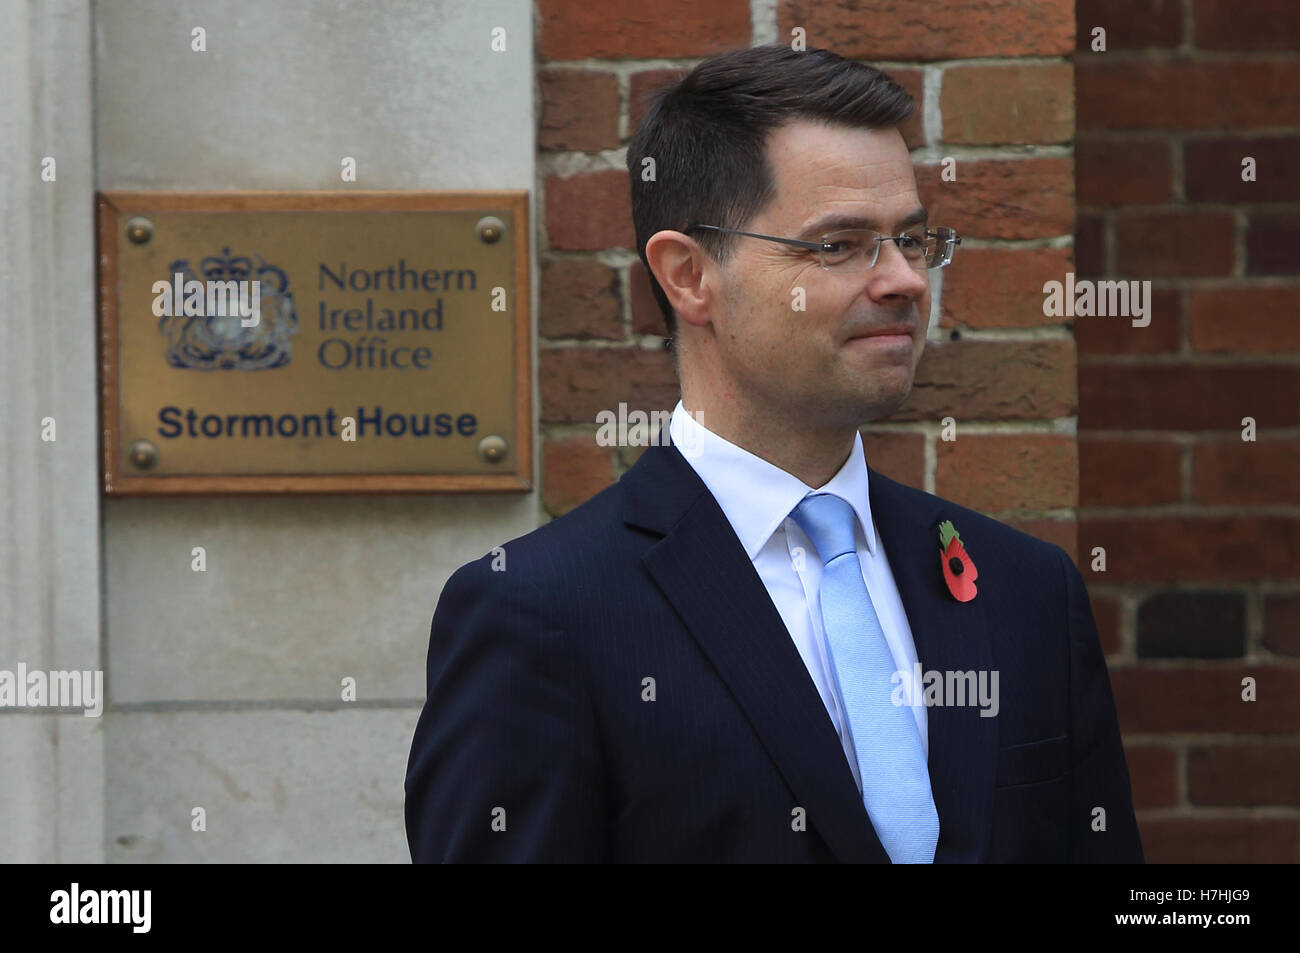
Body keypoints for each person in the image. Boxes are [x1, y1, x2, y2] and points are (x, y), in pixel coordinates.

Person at [405, 44, 1143, 863]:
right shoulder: (540, 615)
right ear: (690, 276)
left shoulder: (1024, 589)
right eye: (840, 244)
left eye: (911, 239)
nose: (903, 279)